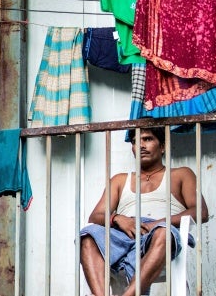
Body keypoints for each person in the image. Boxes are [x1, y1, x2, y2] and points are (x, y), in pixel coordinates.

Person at [80, 125, 209, 296]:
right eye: (135, 142)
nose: (140, 145)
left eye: (147, 139)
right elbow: (96, 215)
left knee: (163, 232)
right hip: (124, 234)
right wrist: (118, 219)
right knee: (87, 236)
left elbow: (200, 211)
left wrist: (158, 223)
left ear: (162, 146)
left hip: (160, 235)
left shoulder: (181, 174)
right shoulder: (120, 180)